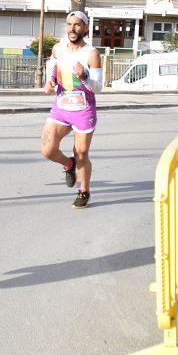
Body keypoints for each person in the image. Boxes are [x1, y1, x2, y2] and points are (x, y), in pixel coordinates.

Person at [40, 11, 103, 209]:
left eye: (77, 25)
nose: (72, 29)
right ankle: (69, 165)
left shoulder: (91, 53)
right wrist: (49, 81)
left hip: (83, 109)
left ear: (85, 29)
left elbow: (99, 87)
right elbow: (52, 65)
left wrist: (84, 75)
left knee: (82, 153)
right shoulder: (58, 48)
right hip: (61, 106)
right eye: (69, 24)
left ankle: (84, 190)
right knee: (47, 149)